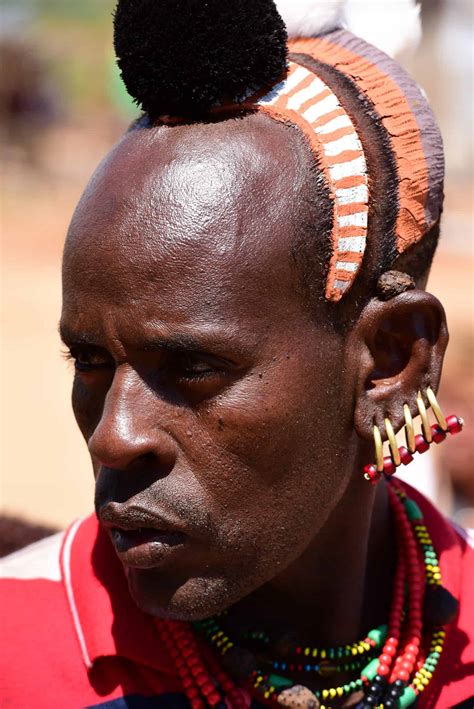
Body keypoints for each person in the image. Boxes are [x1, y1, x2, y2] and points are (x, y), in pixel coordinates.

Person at [1, 1, 473, 708]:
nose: (113, 435)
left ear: (391, 362)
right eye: (91, 363)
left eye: (191, 367)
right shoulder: (24, 656)